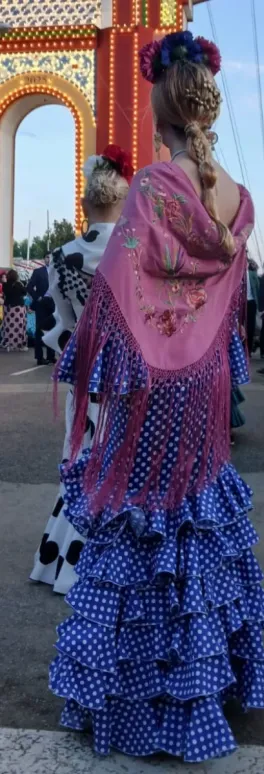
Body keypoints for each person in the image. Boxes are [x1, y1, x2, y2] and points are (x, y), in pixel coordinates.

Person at [49, 32, 264, 762]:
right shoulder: (237, 198)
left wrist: (87, 368)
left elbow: (116, 295)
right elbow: (228, 289)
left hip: (154, 378)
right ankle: (206, 685)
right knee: (200, 515)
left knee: (140, 514)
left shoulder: (152, 186)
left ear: (160, 107)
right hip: (207, 375)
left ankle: (134, 700)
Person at [30, 145, 133, 594]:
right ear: (123, 199)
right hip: (134, 375)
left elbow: (58, 328)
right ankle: (120, 563)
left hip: (88, 370)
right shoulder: (138, 252)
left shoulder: (60, 257)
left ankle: (65, 558)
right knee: (128, 459)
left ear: (86, 202)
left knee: (83, 458)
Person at [27, 255, 56, 365]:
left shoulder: (57, 271)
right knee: (40, 330)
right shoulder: (38, 271)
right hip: (41, 302)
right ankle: (39, 357)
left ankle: (51, 356)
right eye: (47, 257)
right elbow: (29, 287)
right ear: (44, 259)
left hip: (53, 303)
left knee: (53, 330)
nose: (49, 259)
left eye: (51, 257)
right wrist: (37, 297)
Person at [0, 269, 28, 351]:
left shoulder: (5, 285)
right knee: (19, 325)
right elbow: (24, 292)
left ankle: (8, 343)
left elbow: (6, 293)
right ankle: (18, 344)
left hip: (8, 307)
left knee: (8, 325)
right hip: (18, 308)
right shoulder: (18, 284)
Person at [246, 258, 260, 355]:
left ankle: (249, 349)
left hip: (251, 302)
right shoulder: (236, 274)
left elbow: (258, 289)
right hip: (240, 303)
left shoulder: (252, 274)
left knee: (250, 326)